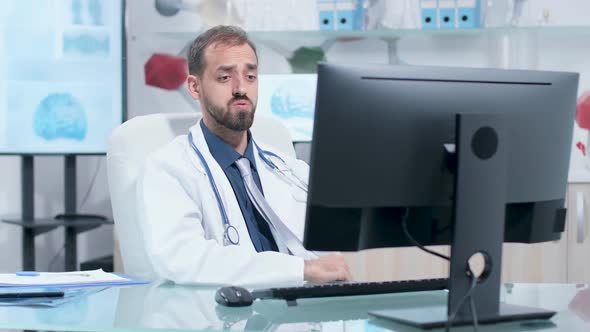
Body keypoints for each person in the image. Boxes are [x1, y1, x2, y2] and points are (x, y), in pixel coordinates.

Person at [136, 25, 352, 286]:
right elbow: (184, 259)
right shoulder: (166, 169)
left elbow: (330, 251)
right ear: (195, 87)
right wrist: (300, 270)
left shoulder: (290, 169)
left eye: (250, 76)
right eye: (225, 78)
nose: (241, 89)